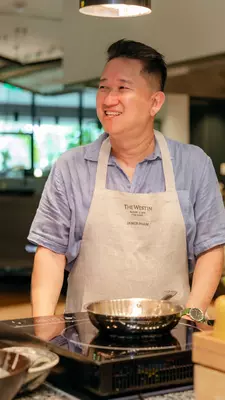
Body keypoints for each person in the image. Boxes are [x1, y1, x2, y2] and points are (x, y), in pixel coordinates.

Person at [28, 39, 225, 319]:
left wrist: (192, 317)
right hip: (87, 337)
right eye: (103, 87)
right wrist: (44, 328)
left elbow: (211, 247)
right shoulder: (70, 167)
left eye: (122, 88)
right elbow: (50, 253)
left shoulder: (194, 165)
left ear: (155, 102)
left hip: (172, 337)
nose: (108, 99)